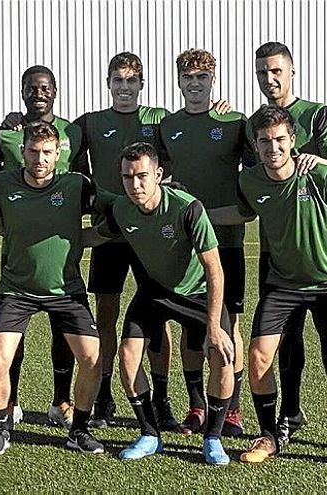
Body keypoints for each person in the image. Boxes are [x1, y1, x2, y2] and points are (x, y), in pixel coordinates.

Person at [94, 142, 234, 465]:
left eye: (142, 176)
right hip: (155, 291)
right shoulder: (121, 209)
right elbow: (96, 233)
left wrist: (214, 326)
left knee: (224, 357)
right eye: (127, 177)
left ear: (158, 174)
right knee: (128, 357)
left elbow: (215, 270)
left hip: (198, 293)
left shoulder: (188, 208)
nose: (135, 184)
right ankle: (149, 434)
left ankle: (212, 438)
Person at [210, 105, 327, 464]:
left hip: (325, 283)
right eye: (264, 142)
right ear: (256, 145)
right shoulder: (251, 180)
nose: (272, 148)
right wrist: (197, 213)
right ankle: (269, 436)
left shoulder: (316, 174)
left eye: (279, 140)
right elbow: (244, 212)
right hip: (282, 284)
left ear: (292, 140)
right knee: (259, 357)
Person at [0, 122, 103, 455]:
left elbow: (112, 215)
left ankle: (78, 429)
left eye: (46, 152)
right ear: (22, 152)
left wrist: (87, 239)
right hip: (17, 289)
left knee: (92, 357)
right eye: (33, 151)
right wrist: (10, 233)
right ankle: (0, 428)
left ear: (58, 154)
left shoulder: (77, 185)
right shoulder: (4, 182)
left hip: (66, 289)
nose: (39, 158)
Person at [72, 52, 175, 430]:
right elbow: (62, 149)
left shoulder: (159, 119)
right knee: (107, 314)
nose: (125, 87)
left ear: (142, 85)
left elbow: (180, 151)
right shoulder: (91, 122)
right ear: (108, 84)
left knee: (158, 313)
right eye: (118, 81)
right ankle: (102, 392)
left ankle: (161, 397)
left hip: (150, 231)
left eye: (132, 81)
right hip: (109, 231)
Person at [0, 64, 83, 428]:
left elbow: (84, 180)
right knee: (13, 333)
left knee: (63, 330)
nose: (38, 93)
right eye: (31, 87)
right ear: (22, 91)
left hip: (59, 251)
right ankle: (12, 401)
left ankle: (62, 400)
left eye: (44, 87)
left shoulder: (75, 131)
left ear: (54, 91)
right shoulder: (4, 134)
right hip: (19, 247)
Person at [158, 48, 253, 437]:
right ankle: (197, 405)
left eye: (202, 77)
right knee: (190, 327)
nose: (195, 84)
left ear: (213, 80)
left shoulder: (234, 121)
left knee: (231, 324)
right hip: (185, 245)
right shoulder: (168, 125)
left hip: (227, 241)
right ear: (179, 82)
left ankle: (232, 407)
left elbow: (258, 167)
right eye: (188, 78)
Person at [247, 41, 327, 446]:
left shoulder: (317, 114)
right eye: (262, 72)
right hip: (276, 256)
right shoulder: (251, 123)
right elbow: (249, 185)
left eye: (276, 71)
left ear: (292, 71)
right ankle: (286, 418)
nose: (269, 78)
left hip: (320, 255)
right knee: (284, 342)